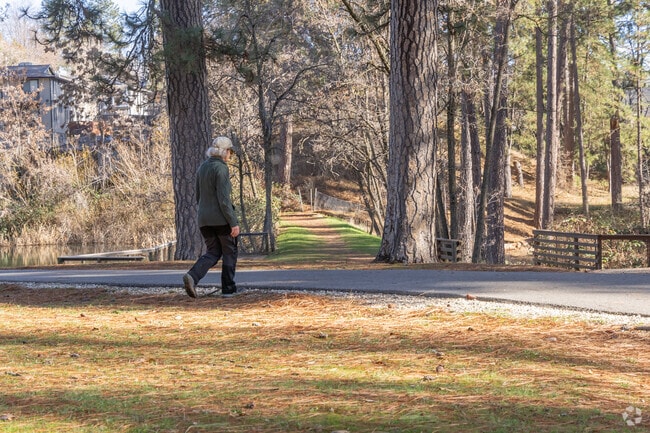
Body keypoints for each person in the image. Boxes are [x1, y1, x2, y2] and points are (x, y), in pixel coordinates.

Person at [183, 136, 240, 298]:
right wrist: (233, 222)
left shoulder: (202, 167)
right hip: (221, 219)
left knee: (213, 252)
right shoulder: (221, 168)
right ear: (224, 152)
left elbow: (198, 196)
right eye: (230, 151)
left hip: (204, 220)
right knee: (229, 251)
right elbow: (224, 199)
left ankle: (192, 276)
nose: (230, 154)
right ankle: (228, 289)